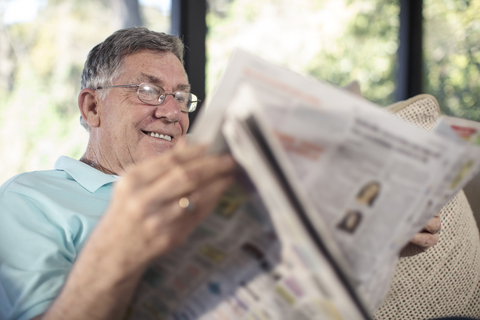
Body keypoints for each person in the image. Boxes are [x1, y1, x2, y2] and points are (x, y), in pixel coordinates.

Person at [0, 27, 440, 320]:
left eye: (181, 97)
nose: (172, 112)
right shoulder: (28, 199)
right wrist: (120, 247)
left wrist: (374, 234)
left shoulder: (215, 187)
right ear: (92, 107)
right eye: (149, 90)